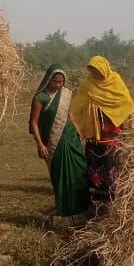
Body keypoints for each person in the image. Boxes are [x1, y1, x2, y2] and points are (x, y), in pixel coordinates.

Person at [29, 64, 90, 228]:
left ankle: (83, 209)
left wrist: (77, 129)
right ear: (49, 79)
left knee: (79, 170)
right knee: (61, 174)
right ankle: (65, 212)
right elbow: (34, 122)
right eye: (55, 81)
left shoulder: (65, 94)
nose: (58, 85)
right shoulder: (39, 98)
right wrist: (39, 143)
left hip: (70, 136)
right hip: (54, 141)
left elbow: (68, 113)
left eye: (61, 82)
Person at [71, 56, 134, 201]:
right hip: (93, 134)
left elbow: (127, 101)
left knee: (111, 161)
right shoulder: (87, 85)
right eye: (93, 71)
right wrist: (77, 126)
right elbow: (76, 107)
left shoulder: (115, 80)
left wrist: (132, 121)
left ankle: (116, 194)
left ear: (104, 69)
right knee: (94, 162)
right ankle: (97, 197)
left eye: (98, 71)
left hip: (112, 132)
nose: (96, 74)